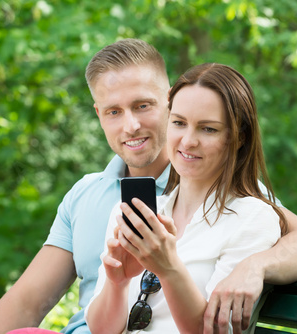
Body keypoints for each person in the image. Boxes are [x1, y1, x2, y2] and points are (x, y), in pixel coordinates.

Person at [0, 39, 297, 334]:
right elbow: (27, 302)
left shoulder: (230, 195)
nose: (130, 125)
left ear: (168, 101)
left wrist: (256, 266)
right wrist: (118, 279)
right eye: (113, 111)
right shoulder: (88, 194)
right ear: (98, 115)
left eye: (143, 105)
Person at [86, 62, 286, 333]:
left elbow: (216, 332)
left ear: (238, 137)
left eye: (208, 129)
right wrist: (118, 283)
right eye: (179, 123)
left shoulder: (253, 219)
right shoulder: (137, 213)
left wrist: (168, 269)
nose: (188, 141)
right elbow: (102, 330)